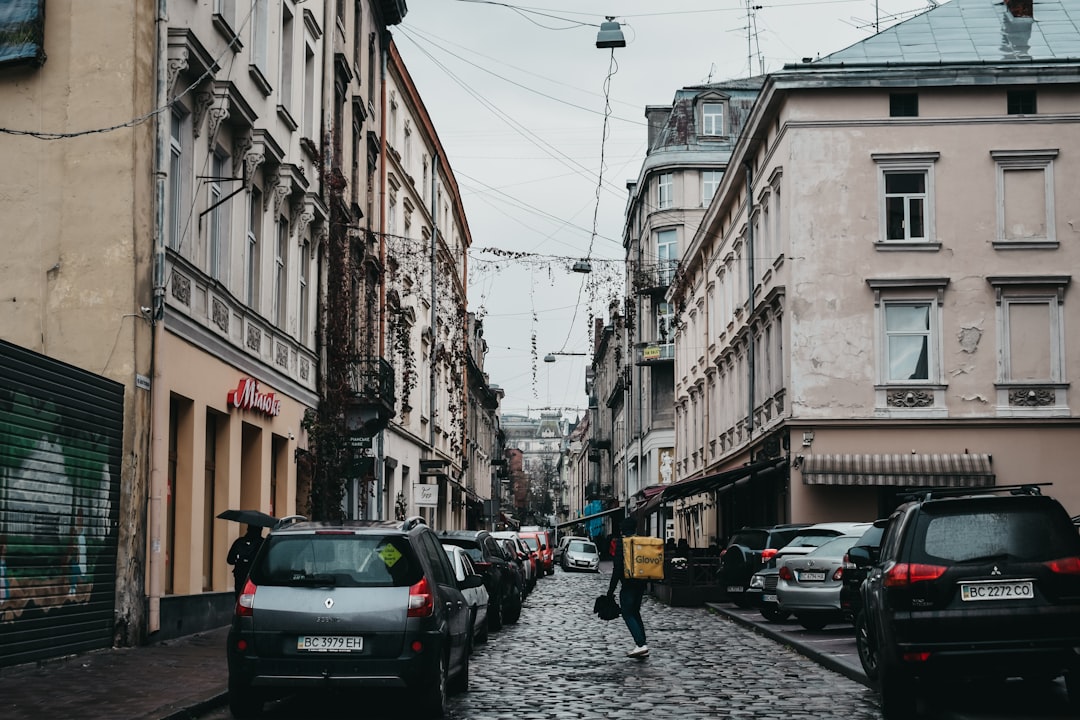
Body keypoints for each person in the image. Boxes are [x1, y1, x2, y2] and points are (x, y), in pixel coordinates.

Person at [607, 516, 649, 658]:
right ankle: (642, 644)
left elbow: (617, 568)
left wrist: (610, 590)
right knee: (635, 612)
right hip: (641, 583)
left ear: (622, 529)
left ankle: (641, 644)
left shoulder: (622, 543)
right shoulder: (641, 542)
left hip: (628, 584)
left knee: (627, 613)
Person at [227, 525, 265, 598]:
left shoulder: (239, 542)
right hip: (256, 577)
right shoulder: (263, 543)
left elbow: (230, 560)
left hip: (240, 576)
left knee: (239, 597)